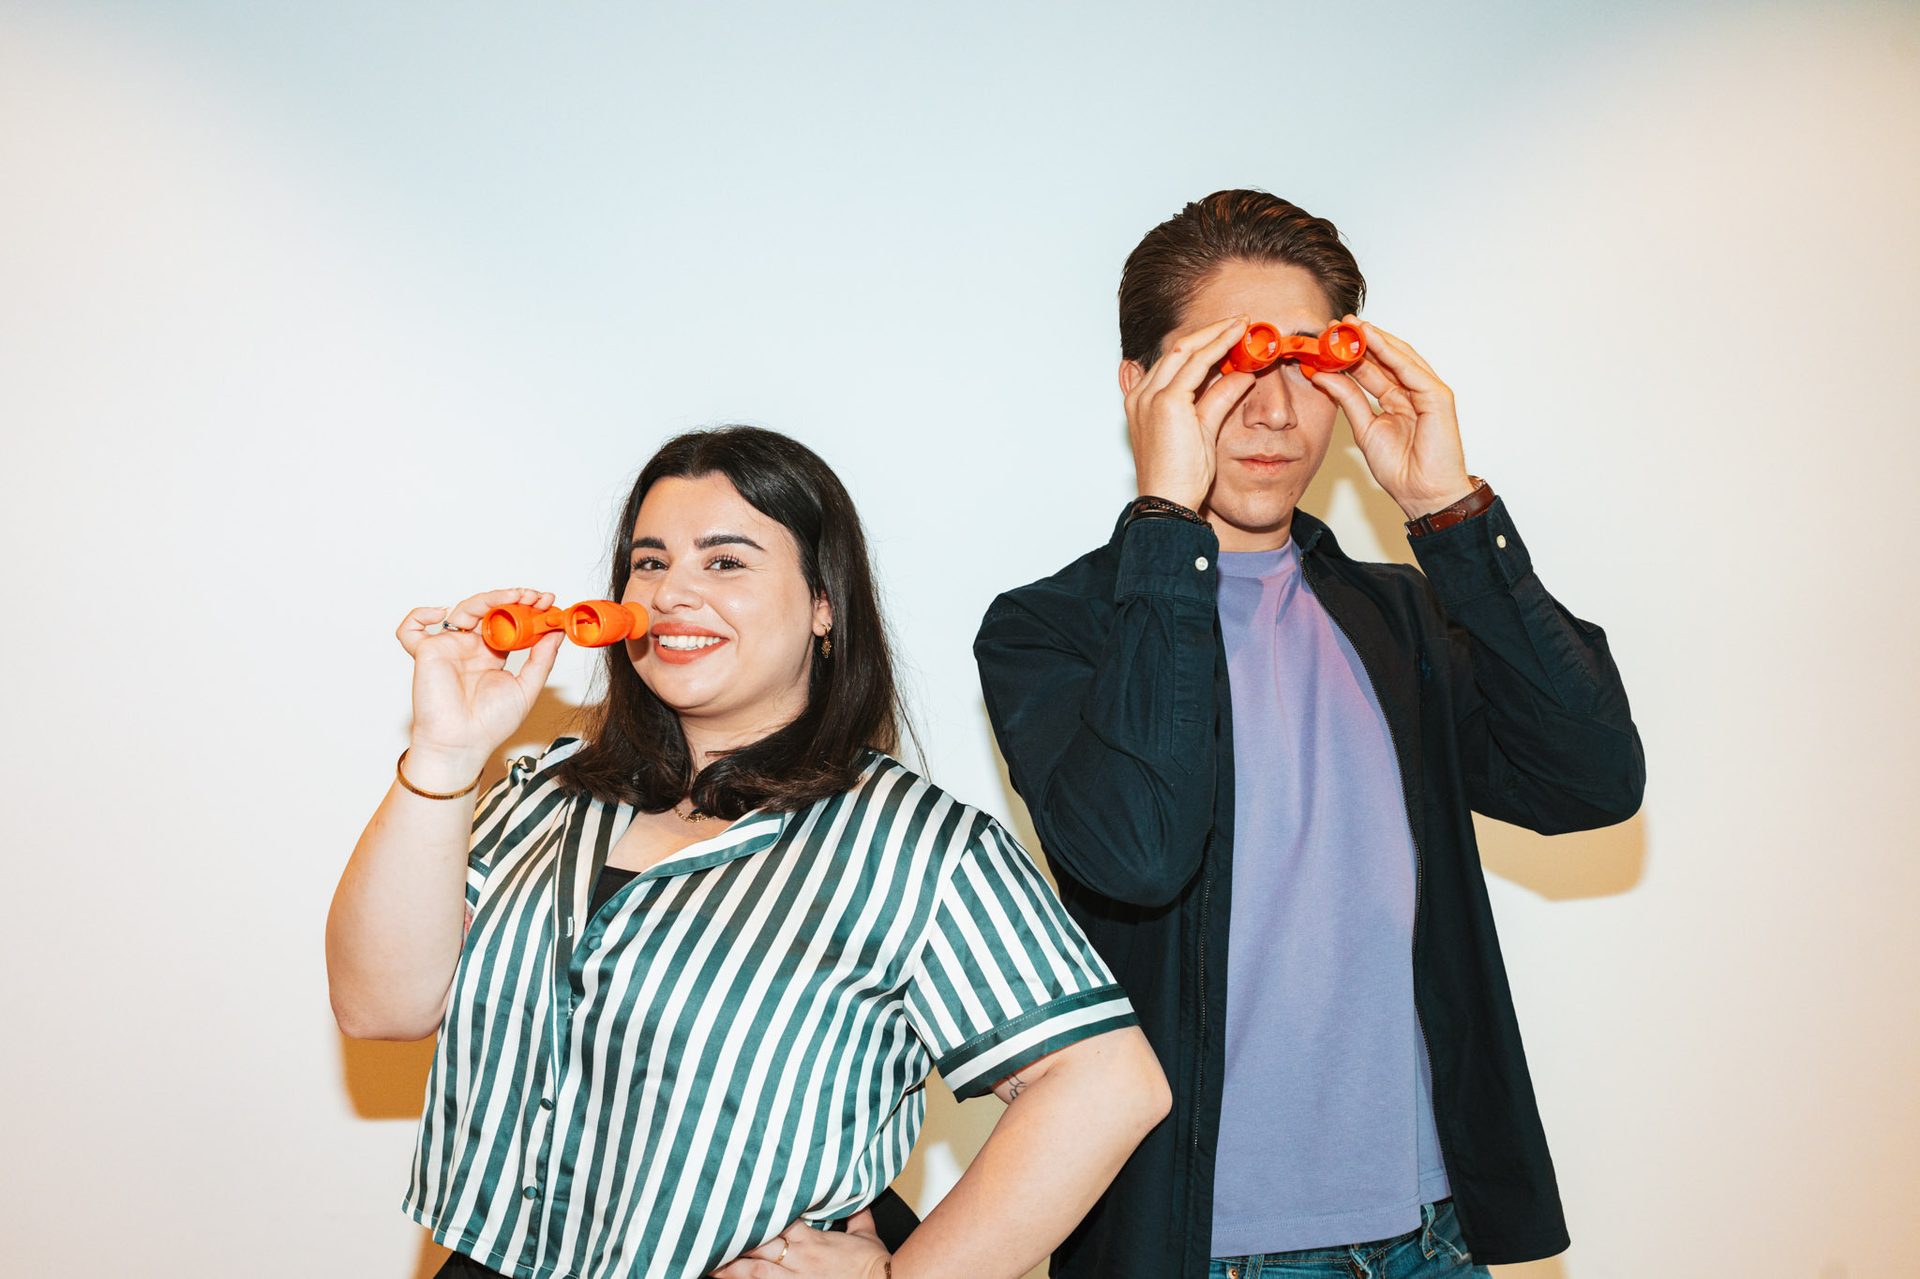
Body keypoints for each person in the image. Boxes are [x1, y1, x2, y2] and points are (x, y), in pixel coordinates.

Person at [974, 190, 1646, 1279]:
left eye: (1304, 367)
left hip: (1434, 1233)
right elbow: (1137, 852)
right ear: (1140, 387)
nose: (1278, 415)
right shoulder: (1054, 631)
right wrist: (1164, 525)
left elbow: (1590, 780)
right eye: (1230, 368)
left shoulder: (1400, 613)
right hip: (1201, 1249)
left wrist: (1452, 512)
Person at [328, 426, 1170, 1279]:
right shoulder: (544, 791)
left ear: (822, 603)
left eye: (725, 562)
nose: (671, 594)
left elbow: (1106, 1083)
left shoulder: (913, 843)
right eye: (649, 563)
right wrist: (443, 752)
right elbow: (380, 1005)